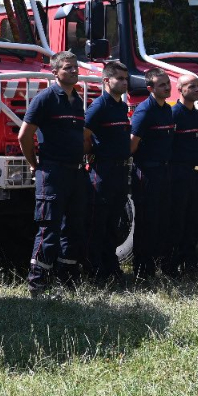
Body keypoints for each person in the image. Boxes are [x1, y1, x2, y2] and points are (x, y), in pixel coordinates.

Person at [19, 51, 87, 297]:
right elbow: (24, 136)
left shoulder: (77, 100)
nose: (74, 71)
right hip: (52, 172)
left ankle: (67, 279)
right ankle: (37, 284)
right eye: (68, 68)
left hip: (75, 173)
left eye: (75, 67)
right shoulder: (45, 99)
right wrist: (35, 163)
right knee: (49, 228)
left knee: (74, 228)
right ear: (54, 72)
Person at [84, 60, 131, 284]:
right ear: (106, 80)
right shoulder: (99, 106)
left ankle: (111, 266)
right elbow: (84, 133)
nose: (124, 82)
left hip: (120, 172)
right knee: (98, 223)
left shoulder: (121, 106)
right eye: (119, 79)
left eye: (125, 79)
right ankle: (94, 270)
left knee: (114, 222)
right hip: (102, 171)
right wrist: (91, 152)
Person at [129, 68, 175, 279]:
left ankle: (159, 265)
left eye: (168, 83)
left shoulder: (167, 109)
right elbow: (132, 145)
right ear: (150, 88)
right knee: (146, 222)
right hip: (146, 172)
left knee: (162, 220)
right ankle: (142, 270)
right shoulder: (144, 111)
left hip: (164, 171)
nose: (167, 87)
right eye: (162, 85)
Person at [166, 74, 198, 276]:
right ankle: (172, 265)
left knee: (194, 220)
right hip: (179, 174)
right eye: (192, 86)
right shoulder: (174, 114)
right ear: (180, 89)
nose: (197, 89)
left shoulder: (197, 115)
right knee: (177, 221)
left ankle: (190, 264)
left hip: (196, 174)